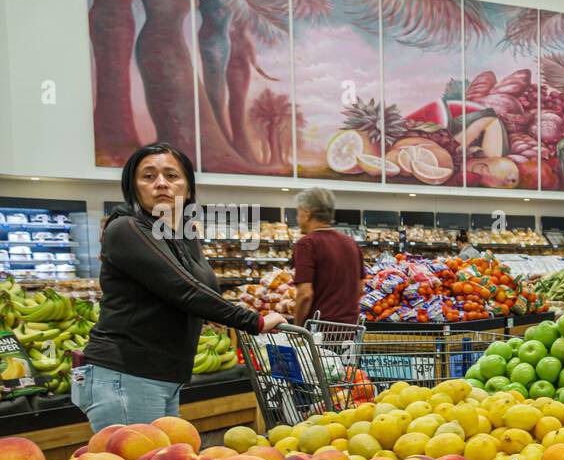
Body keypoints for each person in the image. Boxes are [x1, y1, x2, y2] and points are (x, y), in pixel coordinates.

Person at [75, 143, 284, 432]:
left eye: (172, 176)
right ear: (133, 187)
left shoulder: (179, 233)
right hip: (127, 374)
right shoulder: (125, 228)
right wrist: (255, 322)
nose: (161, 183)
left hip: (162, 376)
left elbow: (204, 286)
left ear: (187, 186)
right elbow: (184, 290)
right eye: (148, 176)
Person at [292, 187, 365, 325]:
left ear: (307, 214)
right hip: (348, 329)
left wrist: (297, 328)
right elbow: (360, 288)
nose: (297, 218)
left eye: (298, 212)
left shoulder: (307, 244)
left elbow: (305, 294)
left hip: (319, 330)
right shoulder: (351, 243)